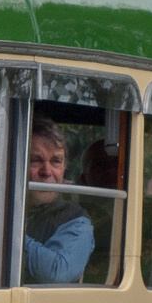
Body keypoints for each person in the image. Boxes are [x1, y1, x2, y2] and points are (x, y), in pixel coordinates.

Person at [24, 117, 94, 284]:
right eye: (36, 160)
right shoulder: (6, 206)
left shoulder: (77, 221)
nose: (47, 171)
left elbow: (57, 272)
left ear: (64, 168)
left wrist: (2, 231)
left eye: (56, 161)